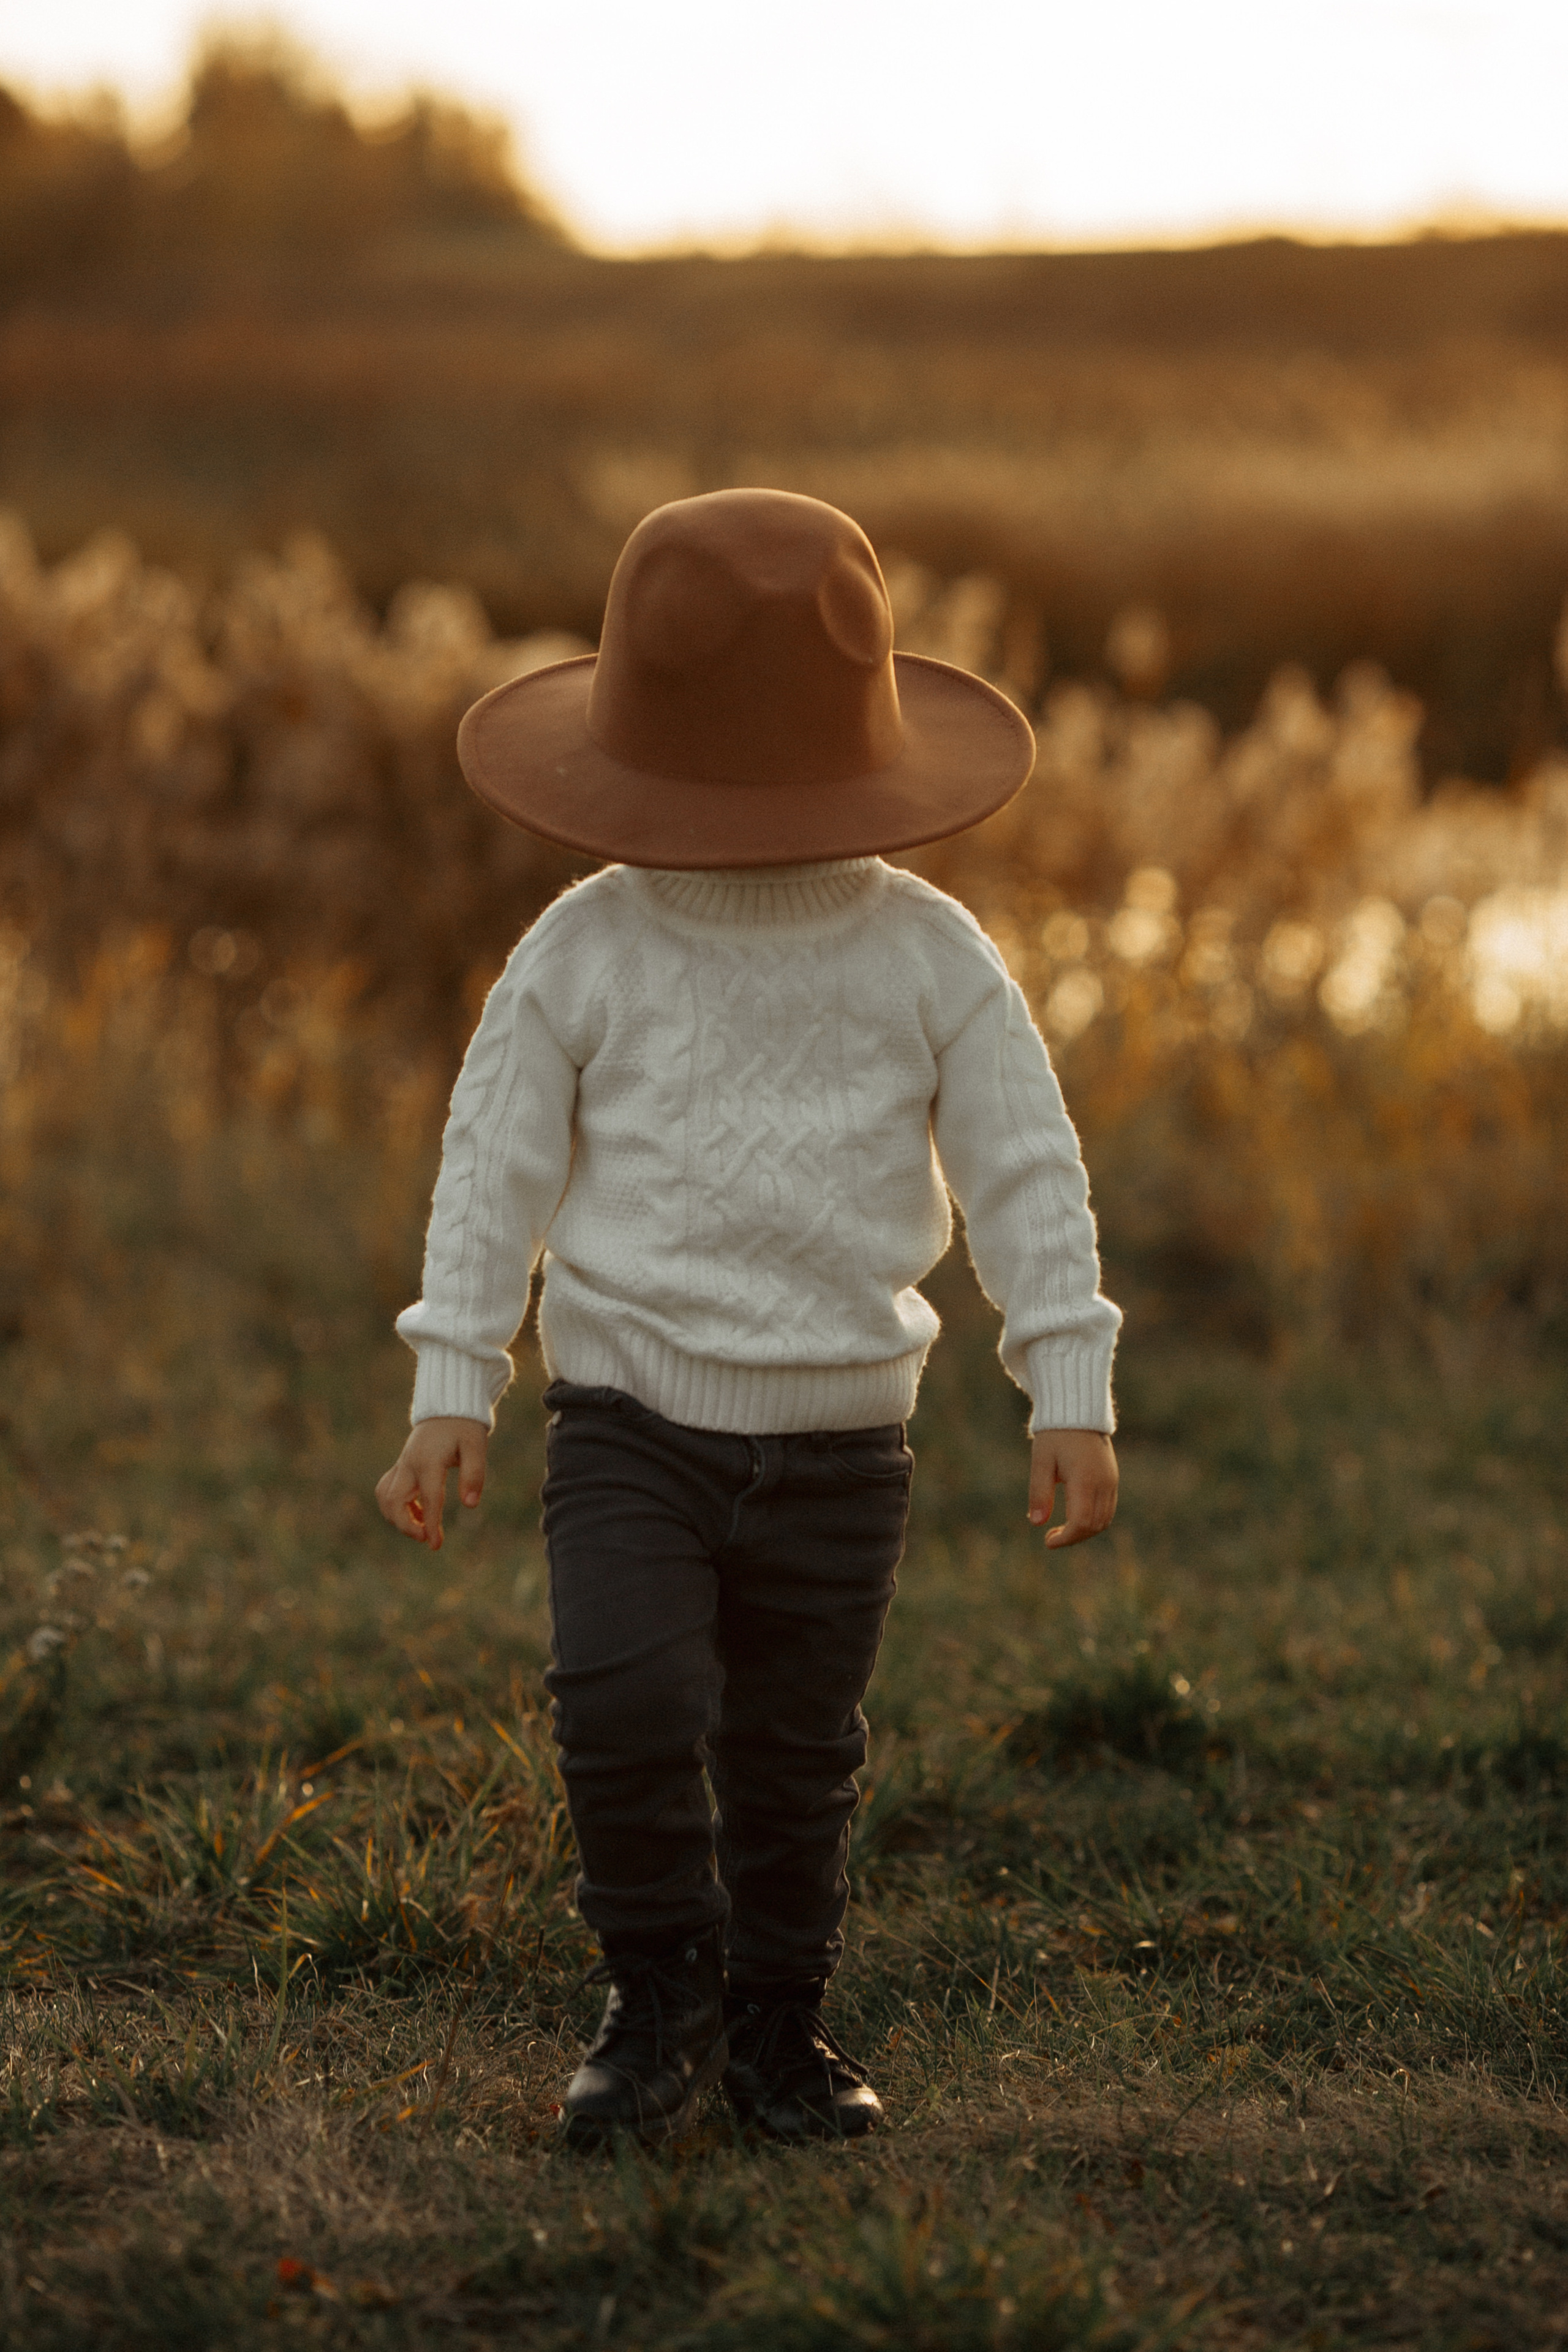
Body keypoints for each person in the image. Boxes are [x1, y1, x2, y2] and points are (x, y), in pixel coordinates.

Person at [375, 488, 1120, 2148]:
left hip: (849, 1438)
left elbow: (1024, 1166)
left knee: (796, 1750)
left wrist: (1066, 1371)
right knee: (623, 1702)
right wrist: (456, 1376)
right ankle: (659, 2009)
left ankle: (783, 2031)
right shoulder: (586, 946)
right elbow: (491, 1165)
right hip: (628, 1420)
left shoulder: (933, 957)